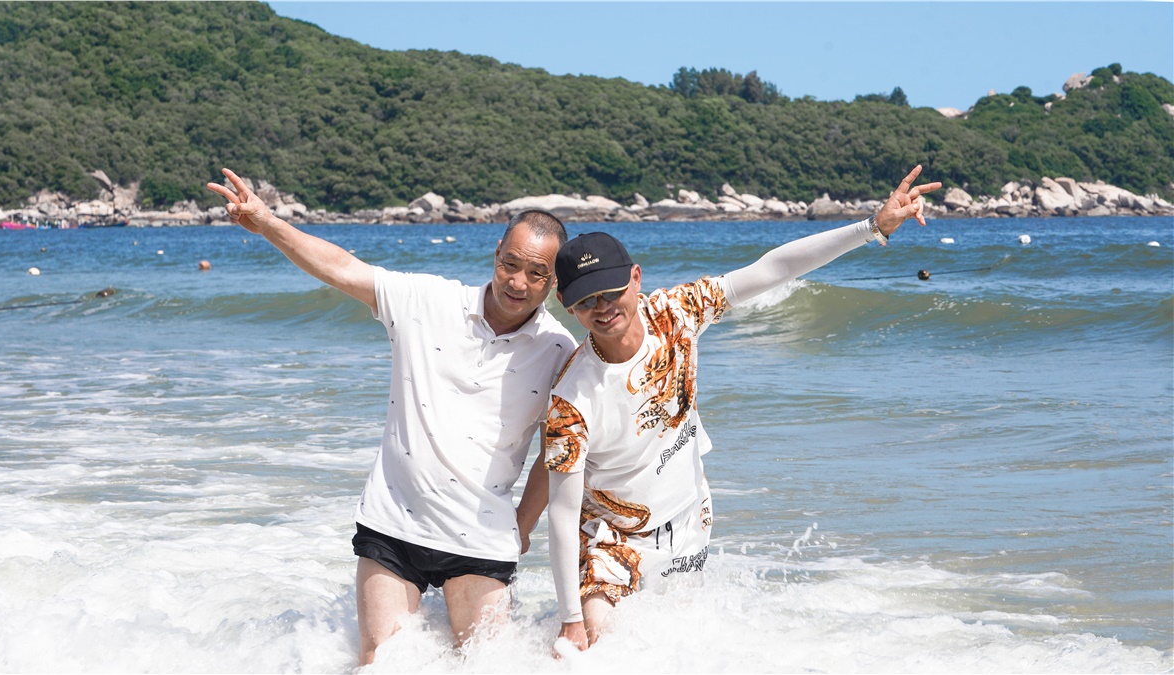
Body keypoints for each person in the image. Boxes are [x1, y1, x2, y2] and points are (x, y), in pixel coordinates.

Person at [540, 166, 942, 651]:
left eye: (611, 291)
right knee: (595, 642)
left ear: (635, 277)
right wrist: (569, 619)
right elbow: (562, 512)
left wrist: (871, 227)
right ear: (567, 305)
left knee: (678, 645)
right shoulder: (570, 401)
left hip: (689, 517)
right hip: (614, 539)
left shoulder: (675, 314)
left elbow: (773, 269)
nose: (603, 308)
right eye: (587, 301)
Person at [206, 169, 576, 664]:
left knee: (488, 666)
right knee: (381, 662)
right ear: (496, 253)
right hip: (394, 524)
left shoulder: (559, 350)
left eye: (536, 273)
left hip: (482, 535)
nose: (518, 282)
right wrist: (268, 223)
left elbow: (560, 449)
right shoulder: (427, 300)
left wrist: (523, 525)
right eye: (510, 264)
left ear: (553, 281)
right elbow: (342, 268)